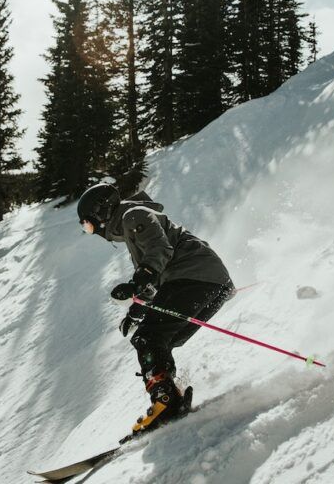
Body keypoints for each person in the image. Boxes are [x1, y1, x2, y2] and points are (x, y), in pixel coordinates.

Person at [77, 183, 235, 438]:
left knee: (148, 338)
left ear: (101, 211)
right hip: (211, 283)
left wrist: (136, 282)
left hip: (195, 277)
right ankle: (170, 394)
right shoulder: (133, 225)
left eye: (88, 225)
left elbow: (160, 251)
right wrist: (137, 309)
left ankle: (166, 401)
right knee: (159, 339)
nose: (91, 231)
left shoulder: (133, 215)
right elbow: (155, 274)